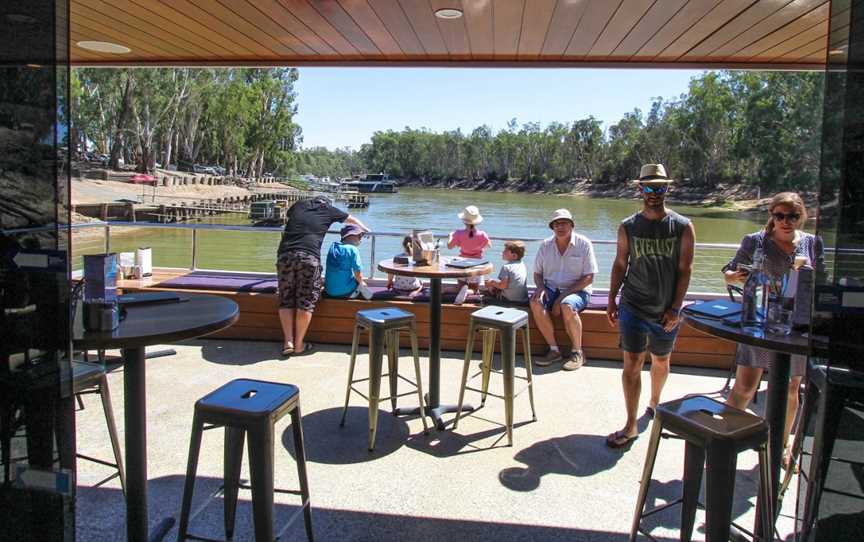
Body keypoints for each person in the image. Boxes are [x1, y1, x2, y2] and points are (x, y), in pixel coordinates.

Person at [722, 191, 824, 468]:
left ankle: (780, 444)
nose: (786, 221)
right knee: (744, 385)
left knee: (791, 387)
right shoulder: (755, 242)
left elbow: (823, 283)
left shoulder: (813, 244)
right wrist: (733, 277)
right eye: (780, 216)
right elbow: (731, 272)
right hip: (759, 323)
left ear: (802, 216)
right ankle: (725, 438)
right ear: (772, 217)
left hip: (797, 326)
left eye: (792, 216)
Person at [605, 164, 695, 449]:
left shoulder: (682, 226)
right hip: (633, 304)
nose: (654, 193)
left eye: (660, 188)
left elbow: (685, 269)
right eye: (648, 188)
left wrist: (676, 308)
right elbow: (621, 264)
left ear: (667, 189)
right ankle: (631, 425)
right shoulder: (628, 226)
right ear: (639, 189)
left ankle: (655, 402)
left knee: (661, 360)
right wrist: (611, 299)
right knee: (631, 364)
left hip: (665, 309)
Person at [275, 196, 369, 358]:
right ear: (326, 203)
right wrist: (365, 229)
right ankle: (299, 345)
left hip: (285, 255)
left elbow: (290, 217)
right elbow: (351, 220)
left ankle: (287, 342)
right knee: (306, 301)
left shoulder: (299, 205)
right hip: (308, 257)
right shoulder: (328, 209)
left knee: (286, 298)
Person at [531, 209, 598, 371]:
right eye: (556, 224)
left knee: (567, 305)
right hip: (551, 288)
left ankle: (577, 352)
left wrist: (561, 298)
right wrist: (540, 288)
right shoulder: (545, 245)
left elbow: (589, 277)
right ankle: (554, 351)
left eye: (564, 223)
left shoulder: (584, 244)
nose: (560, 227)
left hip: (578, 290)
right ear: (552, 227)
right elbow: (537, 273)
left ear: (572, 225)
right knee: (535, 302)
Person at [447, 205, 492, 305]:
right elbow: (489, 245)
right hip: (476, 264)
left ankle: (461, 291)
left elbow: (449, 246)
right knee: (474, 289)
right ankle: (467, 292)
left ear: (463, 221)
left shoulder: (458, 233)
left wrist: (450, 236)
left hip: (461, 264)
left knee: (461, 285)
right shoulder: (482, 234)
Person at [324, 224, 373, 300]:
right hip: (343, 293)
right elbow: (358, 275)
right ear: (353, 236)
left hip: (328, 290)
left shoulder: (333, 246)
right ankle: (370, 300)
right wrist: (362, 283)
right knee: (361, 284)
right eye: (360, 236)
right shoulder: (353, 249)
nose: (360, 239)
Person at [485, 240, 529, 304]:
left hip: (508, 300)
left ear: (514, 256)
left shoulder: (506, 267)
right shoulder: (522, 264)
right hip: (523, 300)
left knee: (488, 286)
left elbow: (502, 286)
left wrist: (491, 282)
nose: (502, 252)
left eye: (505, 251)